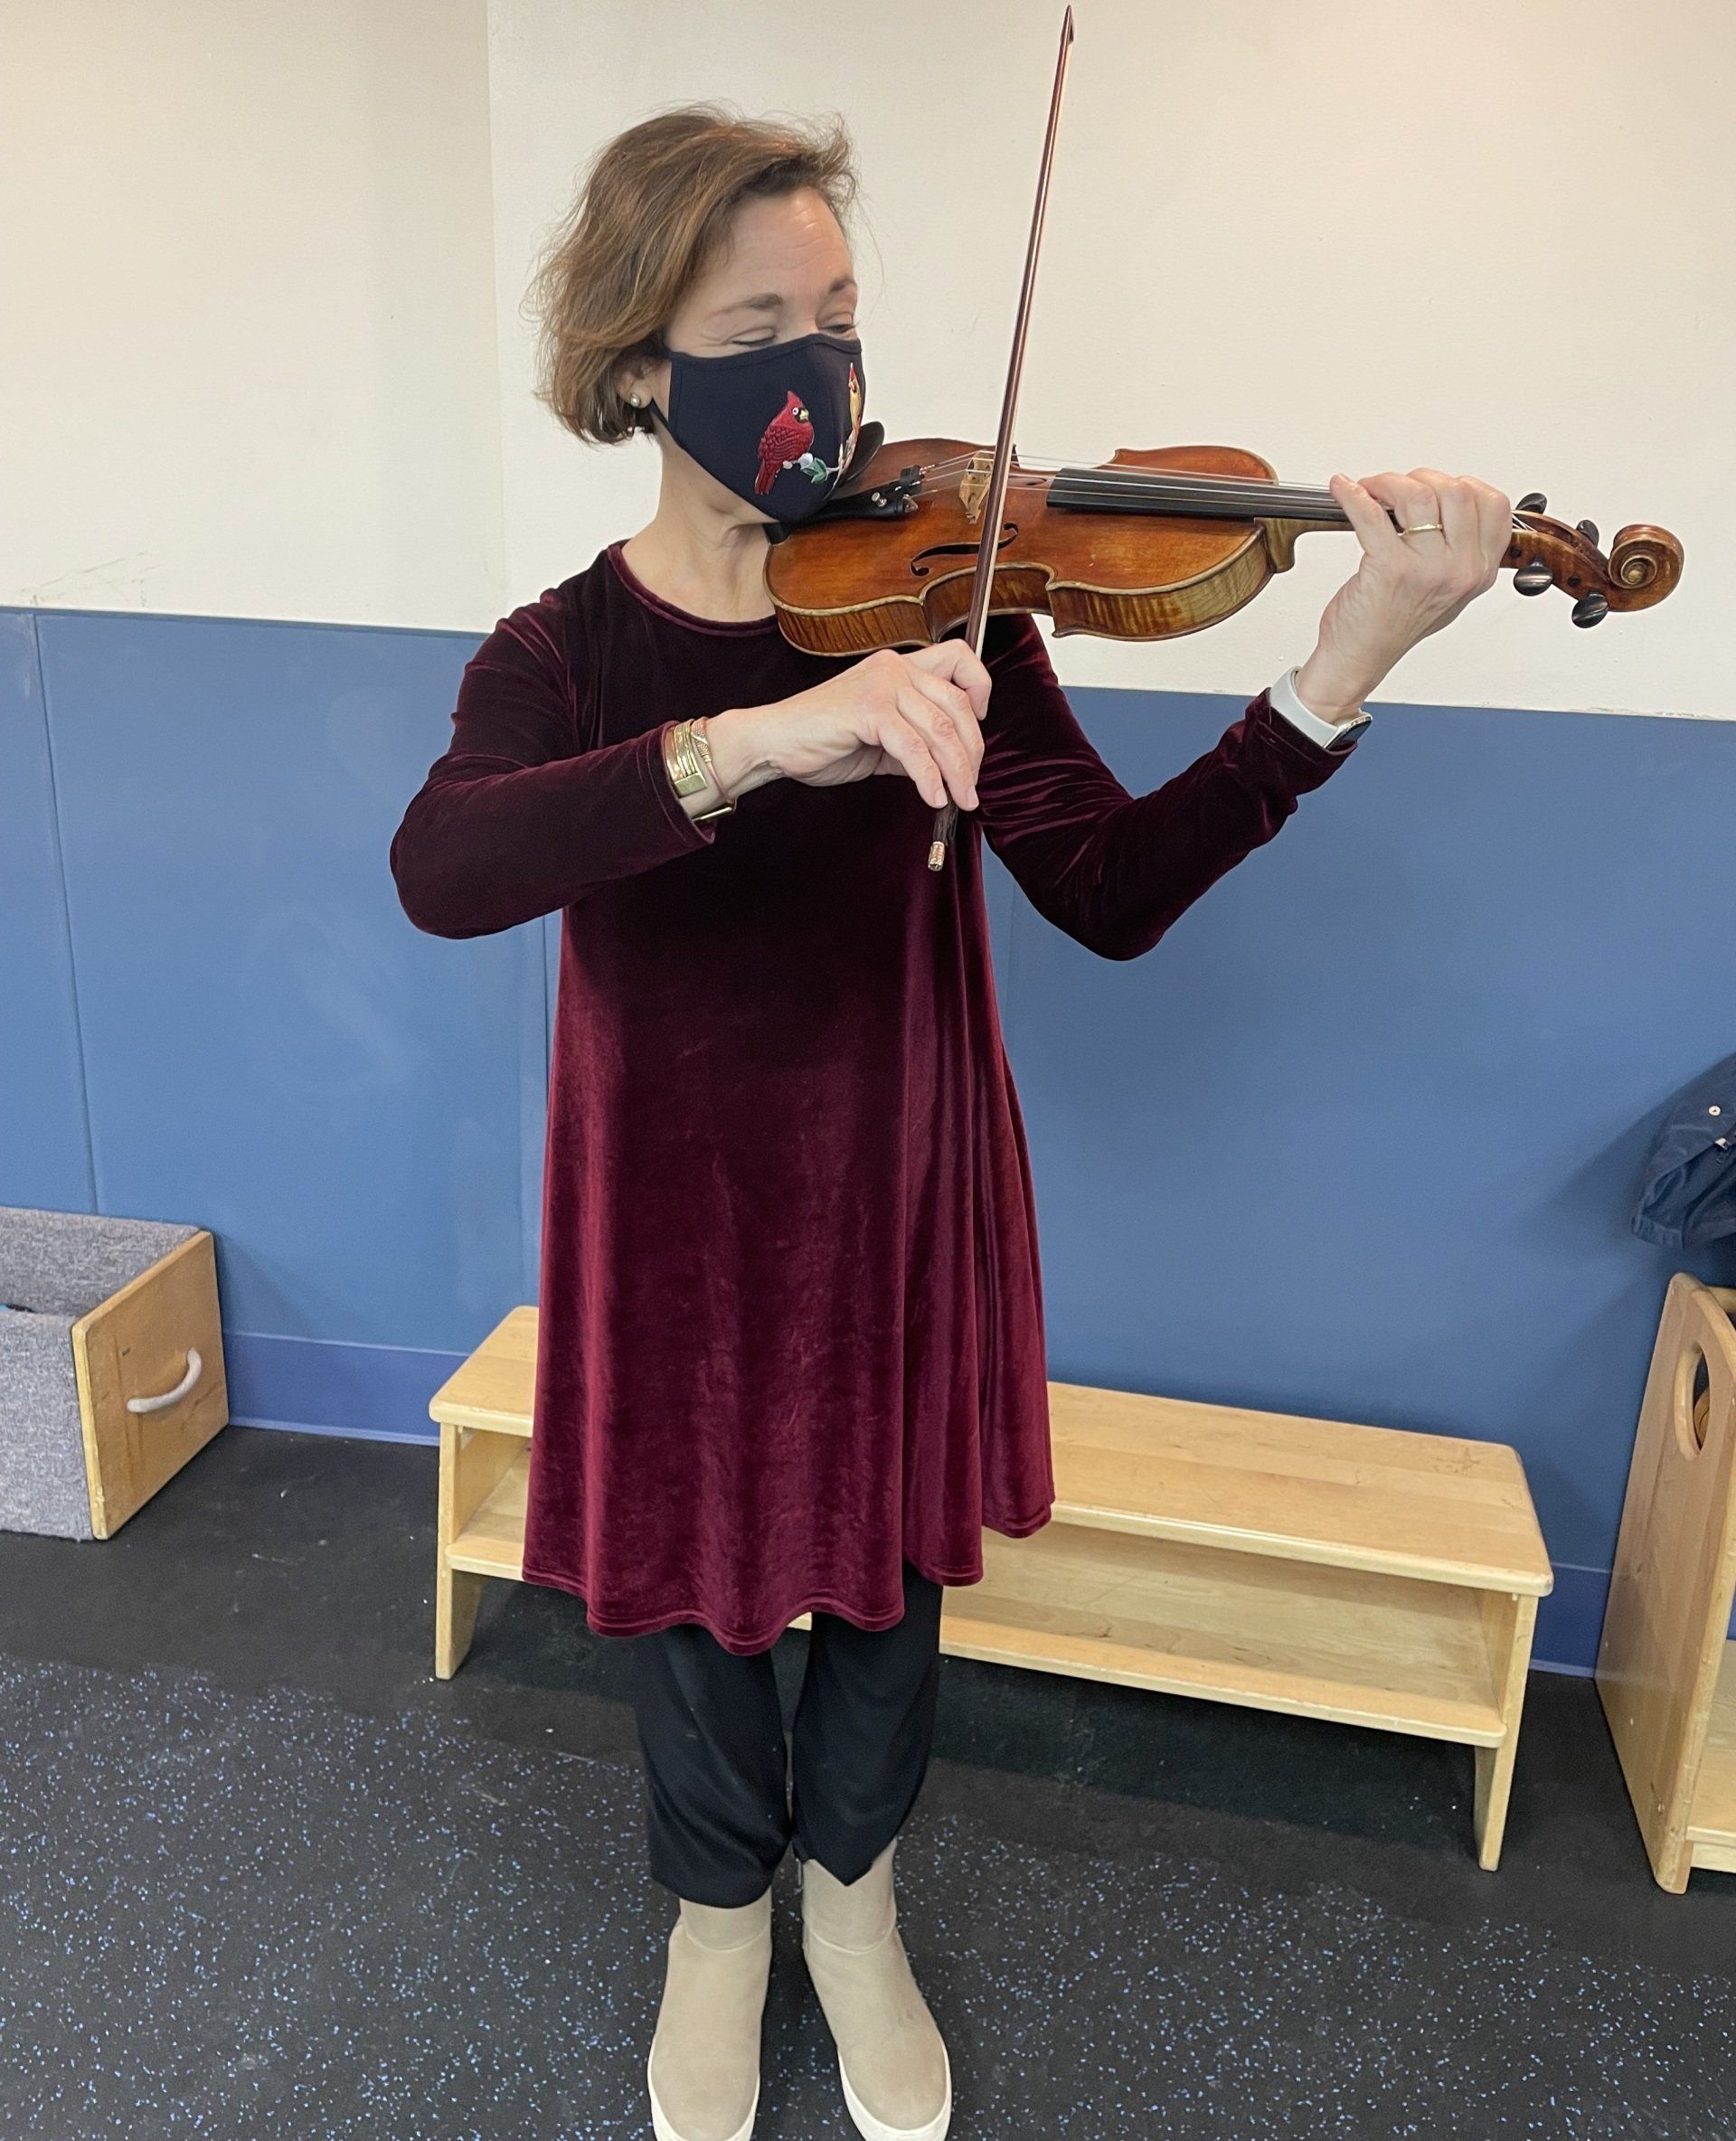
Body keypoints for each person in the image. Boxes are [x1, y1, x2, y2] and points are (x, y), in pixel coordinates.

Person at [389, 104, 1512, 2141]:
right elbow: (446, 865)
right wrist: (753, 738)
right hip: (672, 1218)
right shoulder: (567, 650)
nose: (822, 374)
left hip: (905, 1190)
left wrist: (1341, 661)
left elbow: (1109, 890)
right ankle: (717, 1918)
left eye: (840, 314)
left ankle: (855, 1901)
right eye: (757, 324)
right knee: (706, 1608)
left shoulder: (959, 593)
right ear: (644, 358)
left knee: (890, 1592)